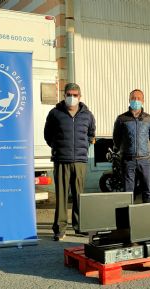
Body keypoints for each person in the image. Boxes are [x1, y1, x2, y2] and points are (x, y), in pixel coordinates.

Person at [44, 83, 96, 241]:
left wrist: (83, 146)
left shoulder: (87, 115)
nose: (71, 97)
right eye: (68, 94)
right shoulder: (55, 113)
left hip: (79, 161)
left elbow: (91, 133)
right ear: (64, 95)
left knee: (79, 195)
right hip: (61, 160)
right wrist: (58, 147)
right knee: (61, 196)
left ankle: (80, 226)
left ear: (80, 97)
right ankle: (59, 229)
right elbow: (48, 135)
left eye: (74, 95)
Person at [112, 89, 150, 203]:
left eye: (138, 98)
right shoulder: (121, 119)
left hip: (145, 160)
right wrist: (123, 149)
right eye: (133, 98)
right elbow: (116, 138)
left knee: (147, 190)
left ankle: (148, 215)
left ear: (143, 101)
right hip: (128, 160)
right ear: (129, 100)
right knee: (128, 191)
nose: (136, 100)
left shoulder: (149, 119)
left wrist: (146, 148)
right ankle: (128, 217)